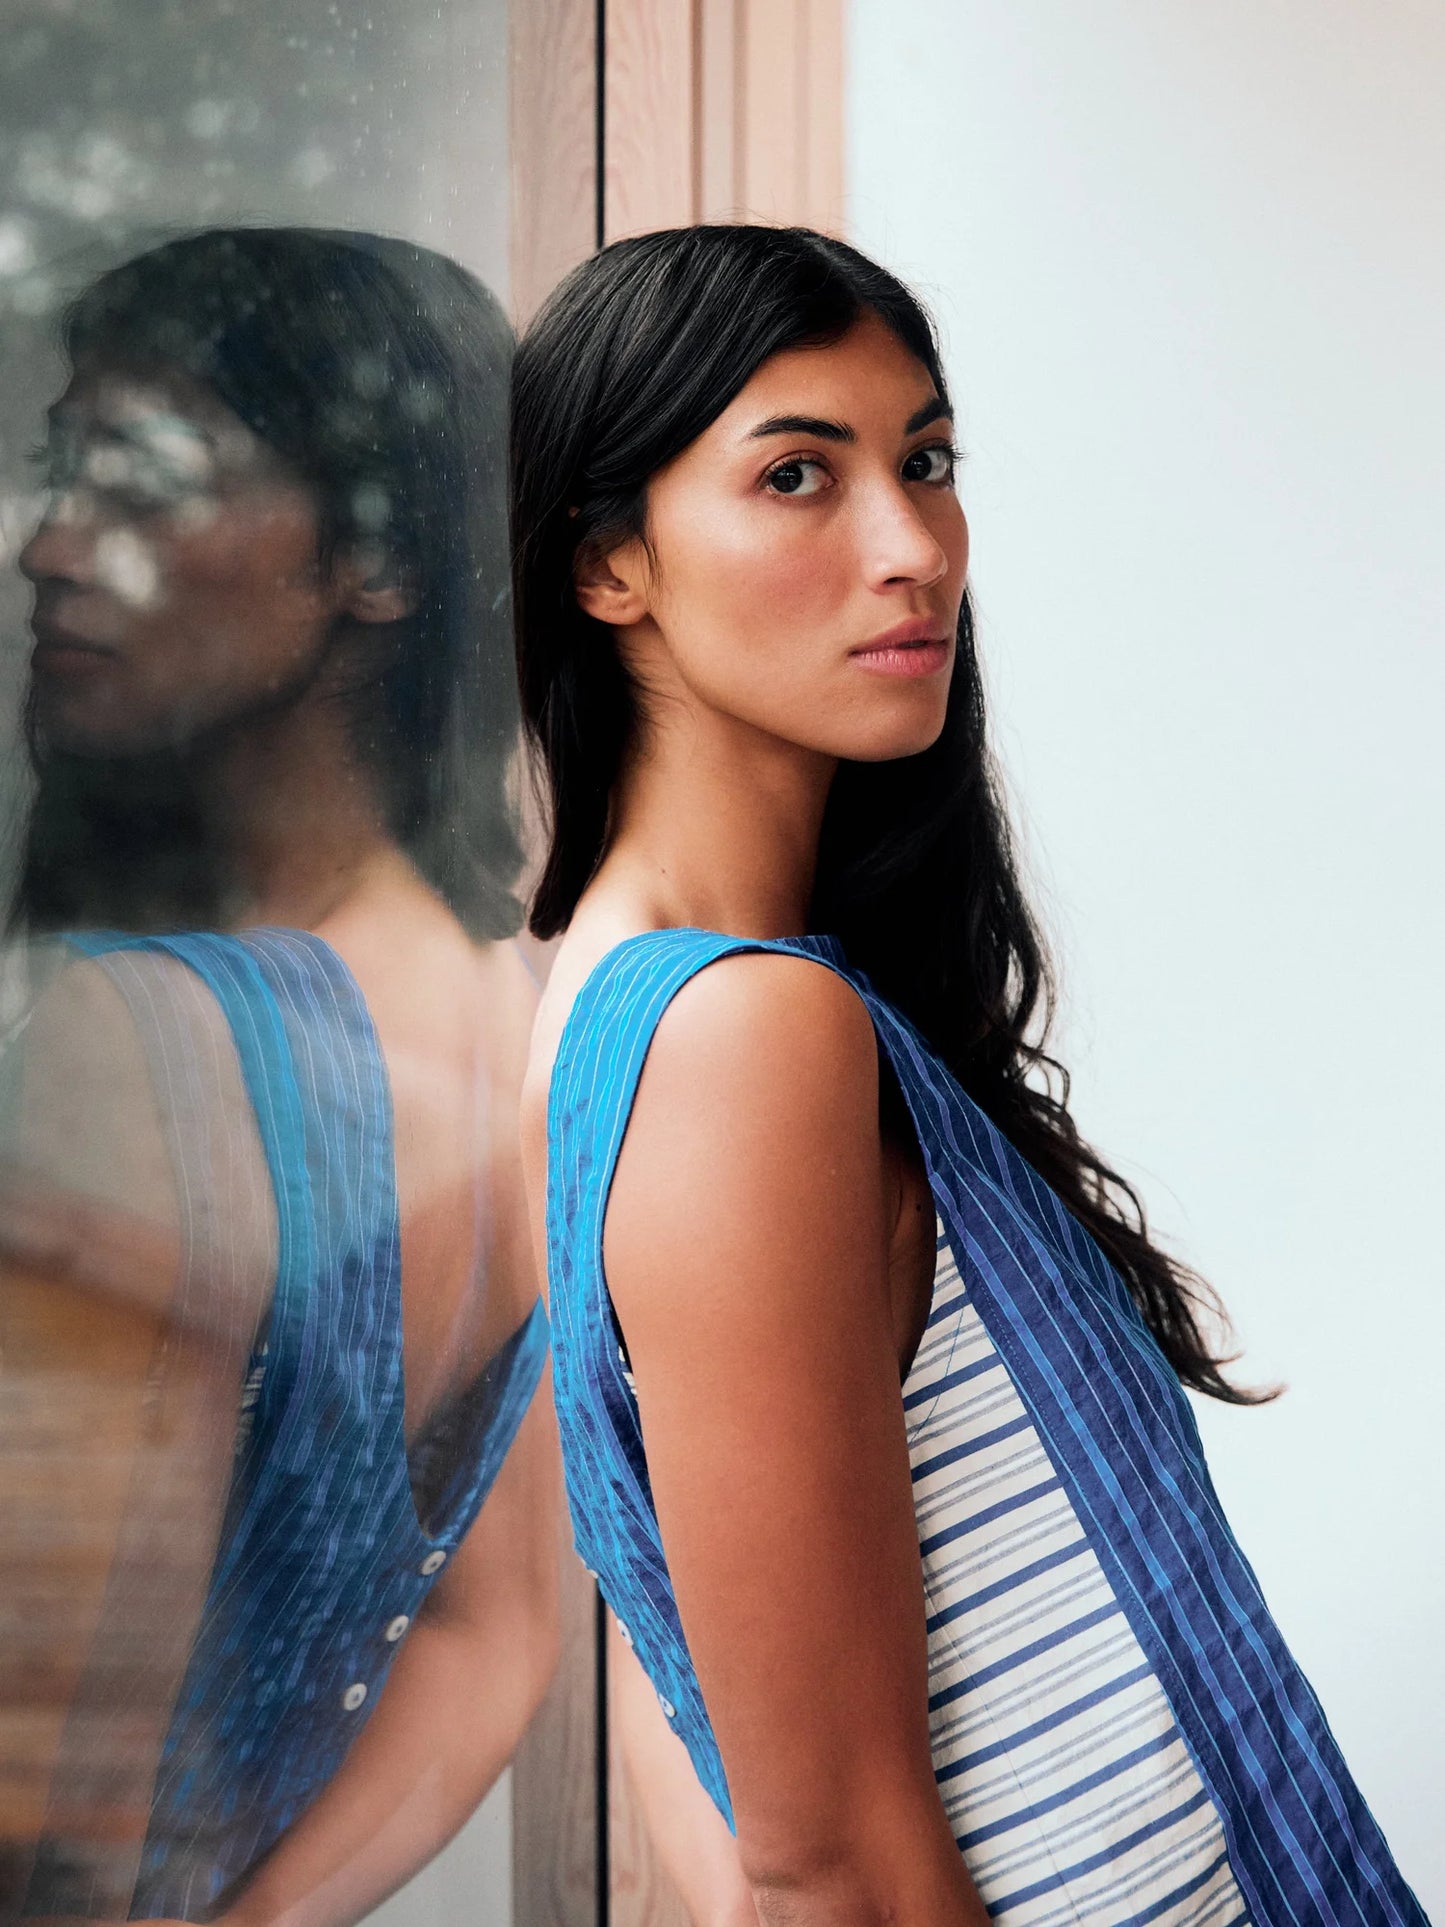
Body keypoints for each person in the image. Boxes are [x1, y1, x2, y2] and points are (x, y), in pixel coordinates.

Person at [511, 224, 1428, 1927]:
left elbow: (678, 1692)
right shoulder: (735, 1031)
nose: (912, 547)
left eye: (923, 463)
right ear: (606, 563)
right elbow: (825, 1852)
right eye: (798, 475)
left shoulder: (608, 1005)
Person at [1, 227, 556, 1923]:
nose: (50, 548)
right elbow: (494, 1633)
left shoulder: (143, 1040)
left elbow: (43, 1774)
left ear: (378, 565)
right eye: (62, 471)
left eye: (147, 483)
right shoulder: (518, 1019)